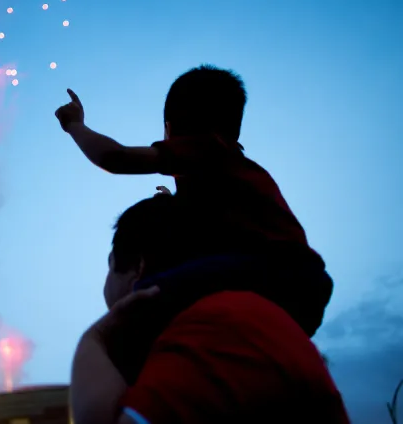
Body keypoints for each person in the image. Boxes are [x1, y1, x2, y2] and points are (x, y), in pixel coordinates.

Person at [55, 64, 332, 337]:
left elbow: (115, 157)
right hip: (298, 287)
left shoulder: (208, 149)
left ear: (170, 128)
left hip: (276, 273)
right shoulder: (228, 174)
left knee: (146, 298)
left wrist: (75, 126)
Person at [70, 195, 350, 424]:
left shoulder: (223, 326)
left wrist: (94, 337)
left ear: (137, 267)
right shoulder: (229, 320)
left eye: (109, 266)